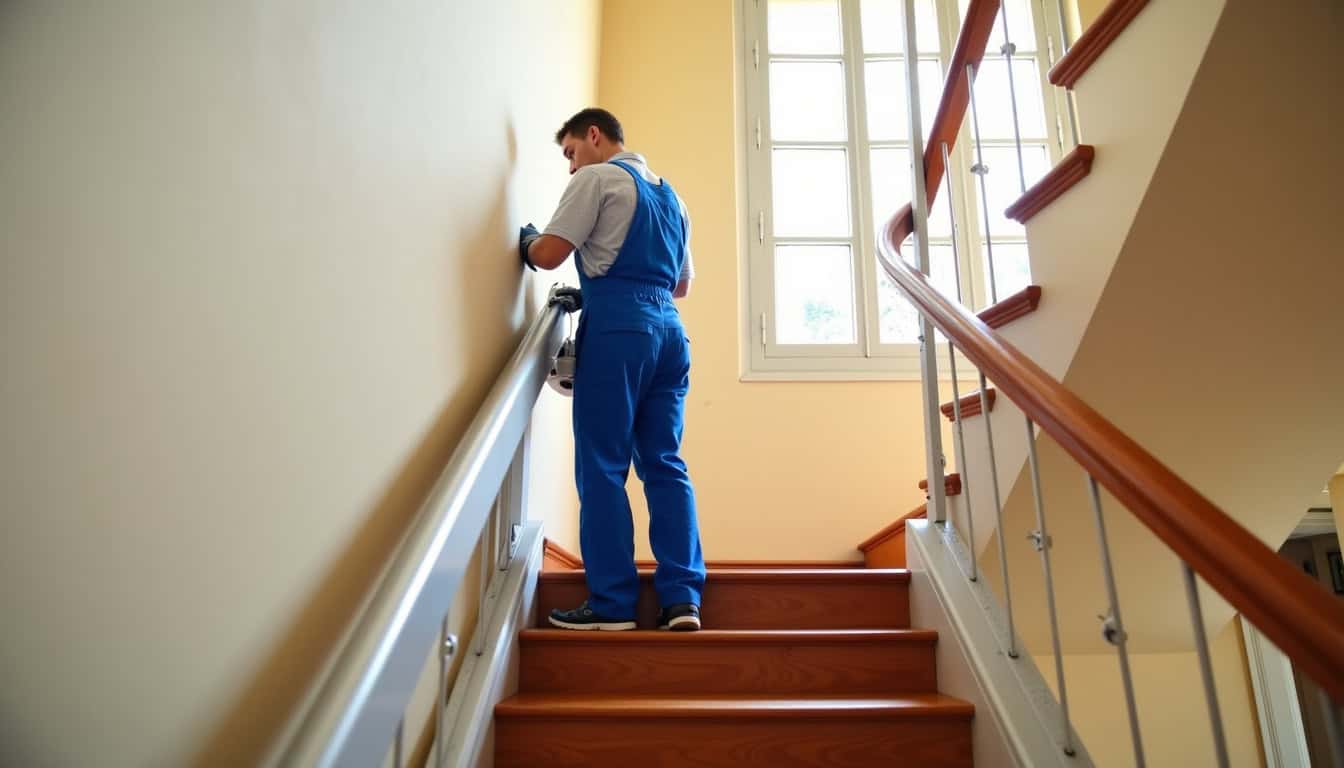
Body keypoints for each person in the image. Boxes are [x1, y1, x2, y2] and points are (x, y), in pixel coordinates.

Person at [519, 108, 705, 632]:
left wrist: (529, 239)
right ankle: (682, 600)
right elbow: (681, 285)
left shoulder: (598, 179)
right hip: (670, 333)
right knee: (665, 463)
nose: (571, 168)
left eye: (571, 153)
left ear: (594, 136)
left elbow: (551, 254)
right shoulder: (674, 198)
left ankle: (612, 604)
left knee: (602, 465)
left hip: (620, 330)